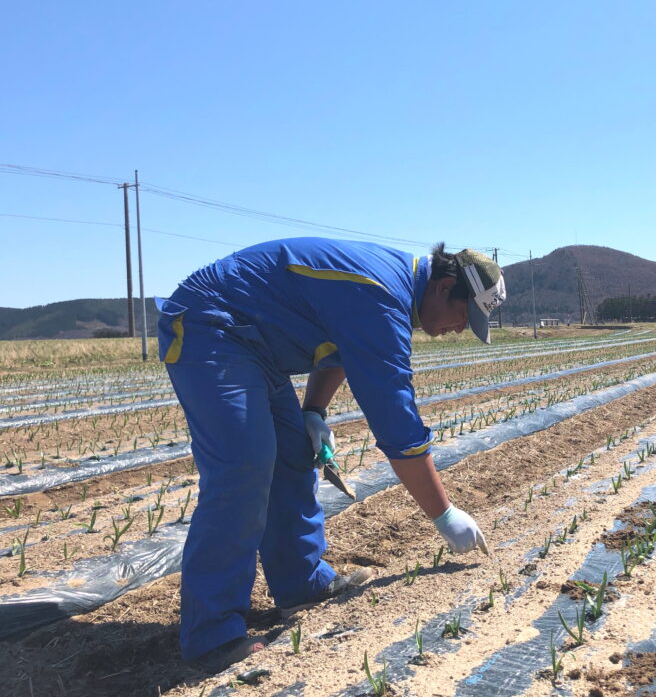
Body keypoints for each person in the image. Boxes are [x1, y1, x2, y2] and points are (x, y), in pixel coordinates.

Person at [154, 238, 505, 673]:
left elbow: (341, 345)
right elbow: (396, 422)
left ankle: (301, 582)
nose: (458, 328)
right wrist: (444, 514)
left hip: (256, 345)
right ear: (443, 286)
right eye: (462, 315)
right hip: (212, 326)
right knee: (244, 466)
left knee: (293, 455)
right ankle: (211, 636)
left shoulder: (388, 289)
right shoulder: (381, 293)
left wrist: (314, 411)